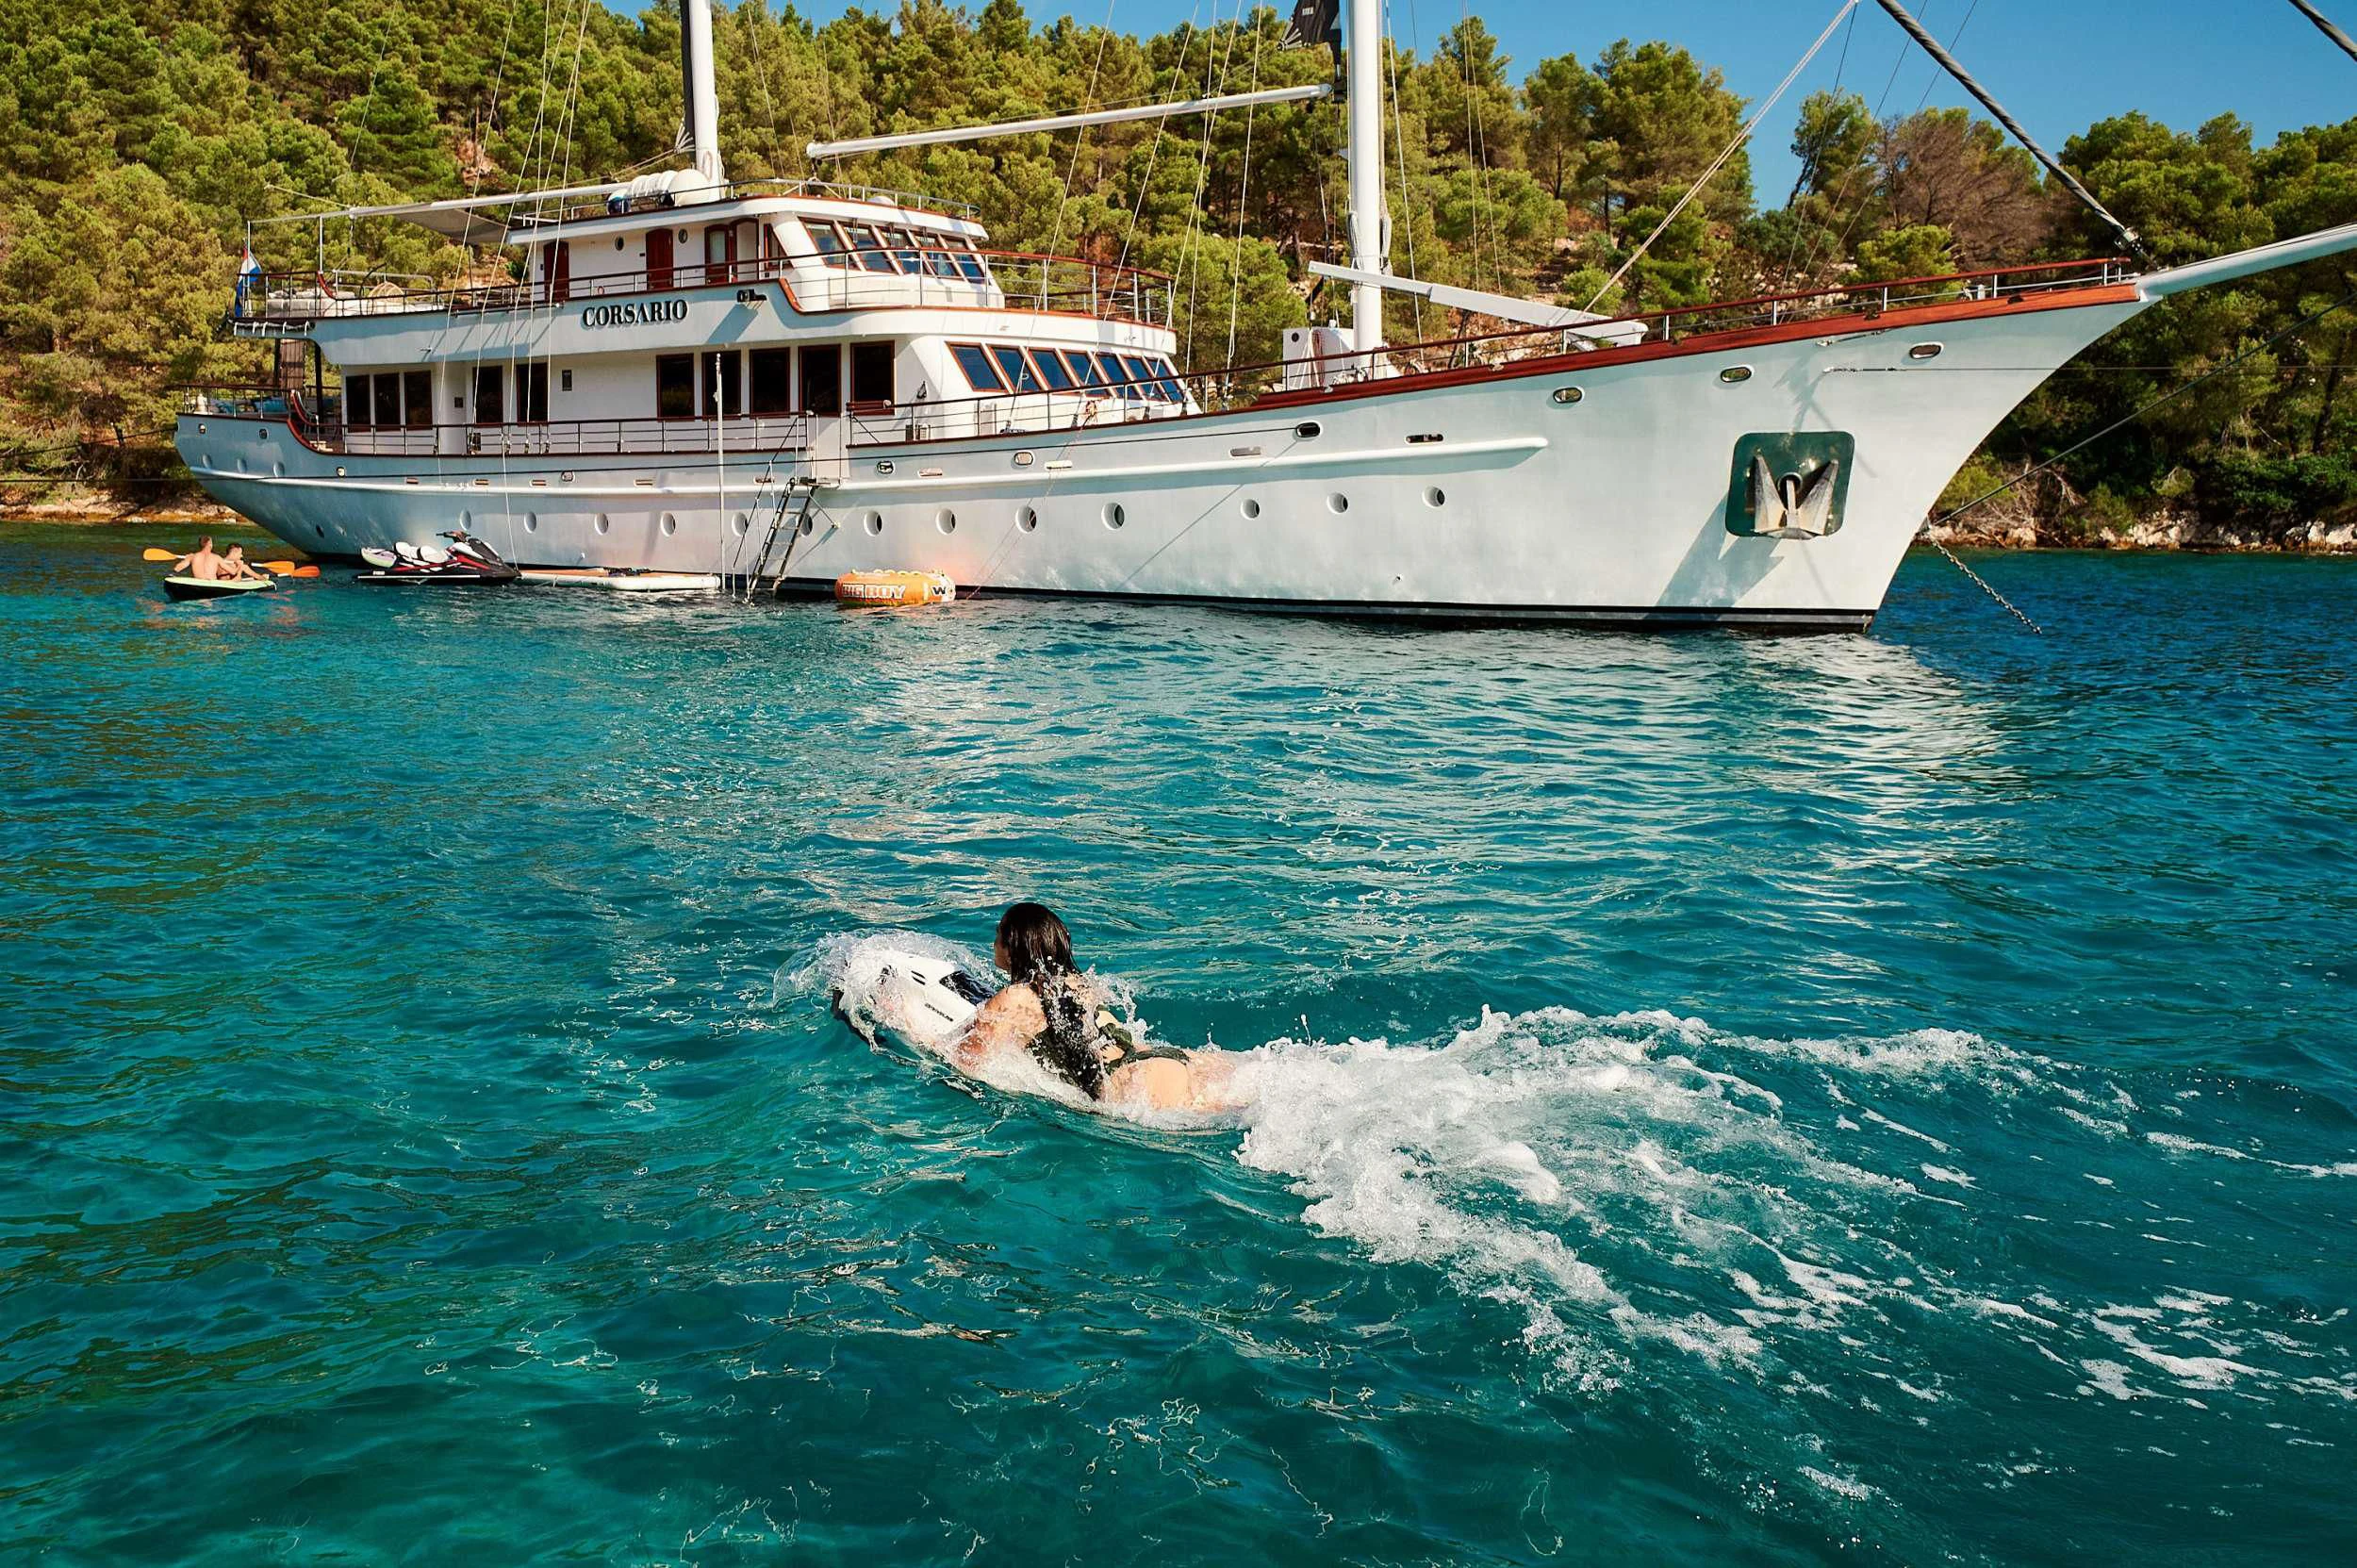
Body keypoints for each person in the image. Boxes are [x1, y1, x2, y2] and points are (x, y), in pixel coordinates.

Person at [954, 902, 1236, 1113]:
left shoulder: (1015, 998)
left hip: (1134, 1088)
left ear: (1014, 944)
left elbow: (967, 1061)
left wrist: (917, 1035)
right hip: (1165, 1061)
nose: (993, 942)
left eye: (998, 933)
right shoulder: (1081, 984)